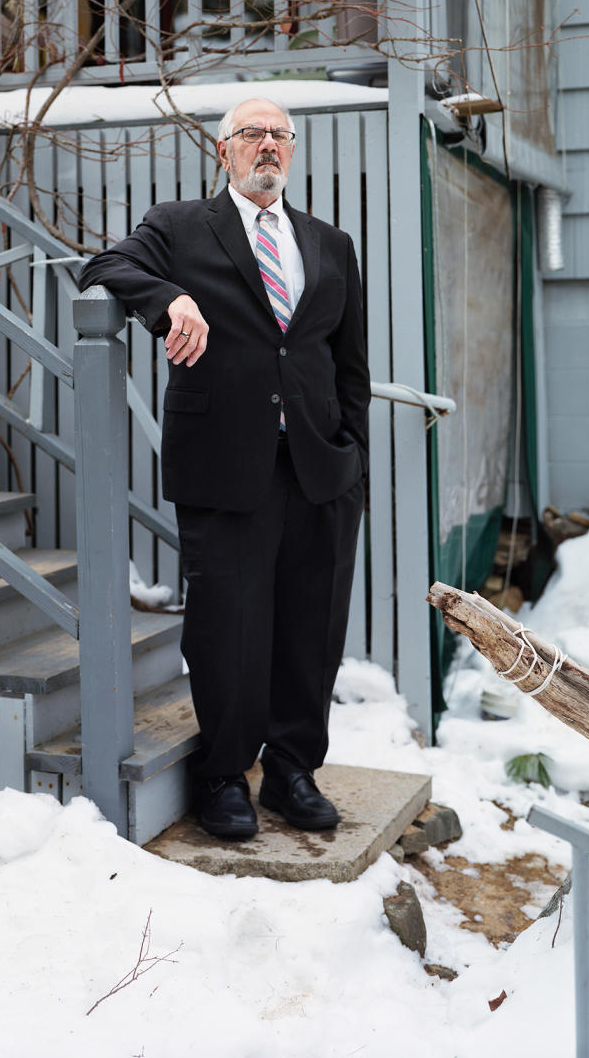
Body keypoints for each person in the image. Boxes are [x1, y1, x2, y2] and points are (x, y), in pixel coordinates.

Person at [78, 96, 370, 840]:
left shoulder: (330, 244)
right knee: (227, 626)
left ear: (292, 150)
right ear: (224, 150)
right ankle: (222, 773)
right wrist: (171, 297)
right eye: (251, 134)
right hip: (224, 464)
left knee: (312, 624)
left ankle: (293, 770)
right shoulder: (181, 227)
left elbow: (350, 366)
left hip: (318, 467)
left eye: (279, 134)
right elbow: (104, 263)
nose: (266, 145)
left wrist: (354, 461)